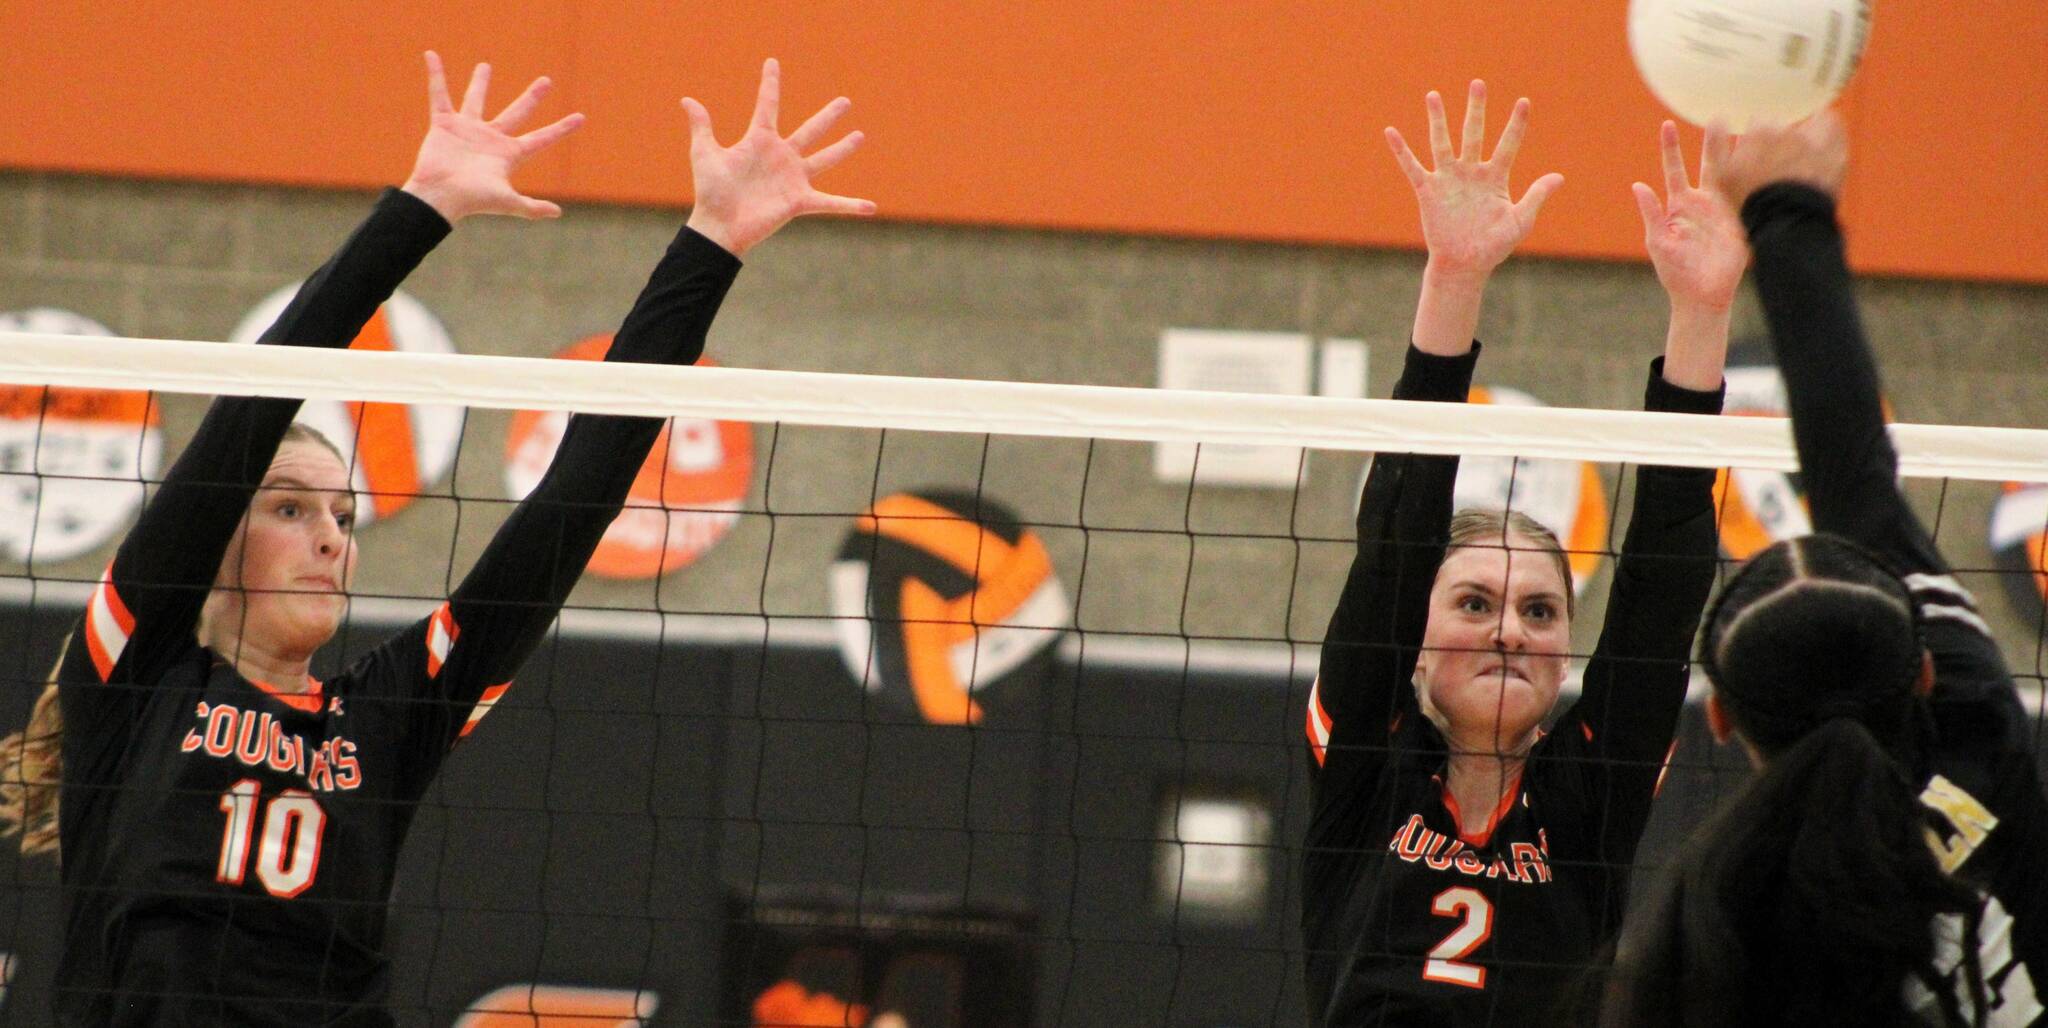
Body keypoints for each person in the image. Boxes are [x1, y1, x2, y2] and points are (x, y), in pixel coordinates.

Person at [0, 52, 873, 1025]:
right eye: (289, 508)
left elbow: (571, 503)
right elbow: (255, 401)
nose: (329, 538)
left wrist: (711, 242)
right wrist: (421, 207)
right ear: (214, 540)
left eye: (344, 516)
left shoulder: (386, 716)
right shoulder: (136, 676)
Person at [1301, 81, 1740, 1025]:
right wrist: (1453, 279)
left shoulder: (1589, 794)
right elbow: (1396, 541)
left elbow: (1663, 589)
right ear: (1415, 645)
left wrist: (1701, 313)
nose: (1510, 630)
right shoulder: (1366, 766)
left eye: (1540, 611)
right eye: (1474, 602)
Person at [1601, 111, 2047, 1027]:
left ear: (1721, 719)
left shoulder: (1712, 926)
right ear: (1924, 673)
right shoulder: (1979, 738)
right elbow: (1853, 473)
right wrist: (1787, 212)